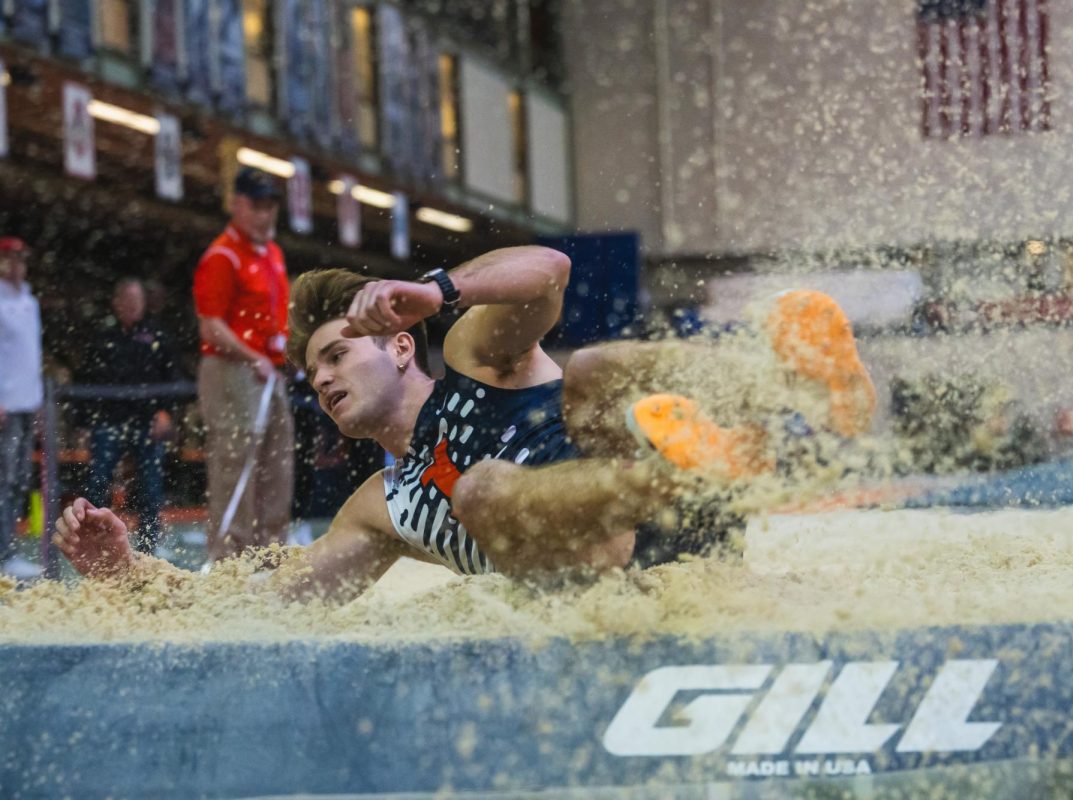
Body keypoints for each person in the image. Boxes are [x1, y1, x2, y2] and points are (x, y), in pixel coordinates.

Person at [55, 246, 875, 601]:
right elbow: (273, 601)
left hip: (671, 530)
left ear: (399, 344)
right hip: (612, 566)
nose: (325, 378)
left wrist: (441, 290)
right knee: (481, 487)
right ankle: (694, 465)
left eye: (339, 355)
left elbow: (548, 273)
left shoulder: (474, 354)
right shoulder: (382, 504)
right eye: (315, 374)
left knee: (587, 371)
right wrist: (130, 573)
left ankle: (786, 386)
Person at [192, 166, 294, 562]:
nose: (265, 215)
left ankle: (271, 552)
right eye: (257, 207)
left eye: (270, 207)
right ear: (237, 205)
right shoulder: (222, 257)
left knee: (277, 463)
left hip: (271, 371)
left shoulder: (273, 254)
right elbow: (211, 325)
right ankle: (230, 558)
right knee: (237, 463)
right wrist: (253, 356)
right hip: (234, 369)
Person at [75, 278, 181, 555]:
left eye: (138, 301)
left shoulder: (157, 336)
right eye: (128, 301)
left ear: (144, 304)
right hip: (108, 420)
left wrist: (166, 412)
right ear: (116, 303)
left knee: (150, 486)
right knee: (98, 483)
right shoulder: (101, 336)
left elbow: (172, 378)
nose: (133, 306)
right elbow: (85, 380)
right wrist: (84, 423)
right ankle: (96, 541)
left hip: (147, 422)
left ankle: (149, 544)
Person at [0, 237, 44, 579]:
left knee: (17, 480)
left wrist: (40, 400)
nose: (16, 265)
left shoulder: (28, 300)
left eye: (20, 259)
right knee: (5, 479)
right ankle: (4, 552)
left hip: (27, 401)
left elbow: (32, 354)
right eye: (9, 258)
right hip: (6, 403)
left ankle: (9, 547)